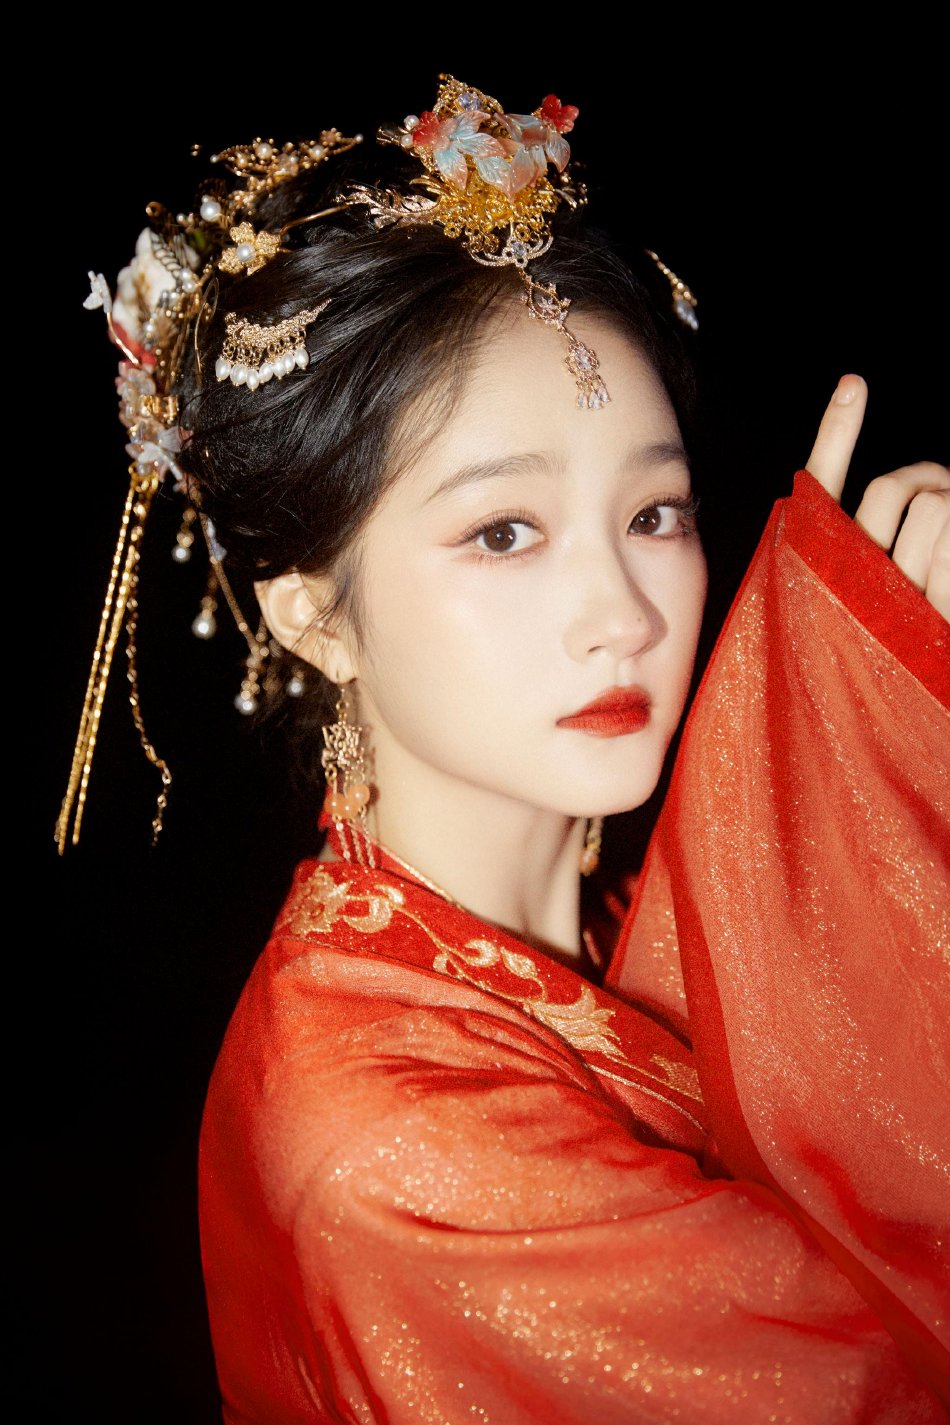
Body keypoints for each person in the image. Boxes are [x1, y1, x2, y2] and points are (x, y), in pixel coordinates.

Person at [58, 77, 948, 1421]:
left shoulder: (615, 920)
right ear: (315, 615)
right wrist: (868, 781)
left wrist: (841, 770)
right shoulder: (394, 1144)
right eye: (503, 532)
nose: (622, 614)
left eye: (653, 514)